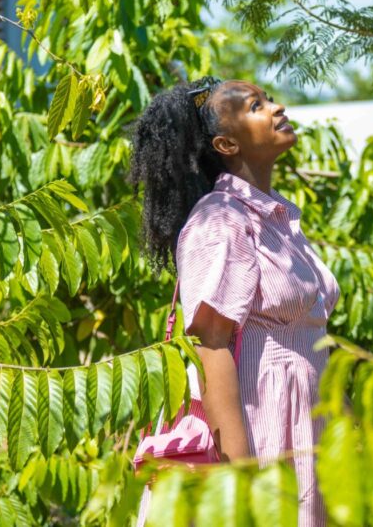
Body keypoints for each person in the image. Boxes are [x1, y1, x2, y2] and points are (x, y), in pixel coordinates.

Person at [129, 76, 340, 526]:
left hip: (307, 422)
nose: (277, 108)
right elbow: (210, 344)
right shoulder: (220, 220)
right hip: (263, 423)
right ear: (225, 143)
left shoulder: (277, 217)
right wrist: (240, 480)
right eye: (256, 106)